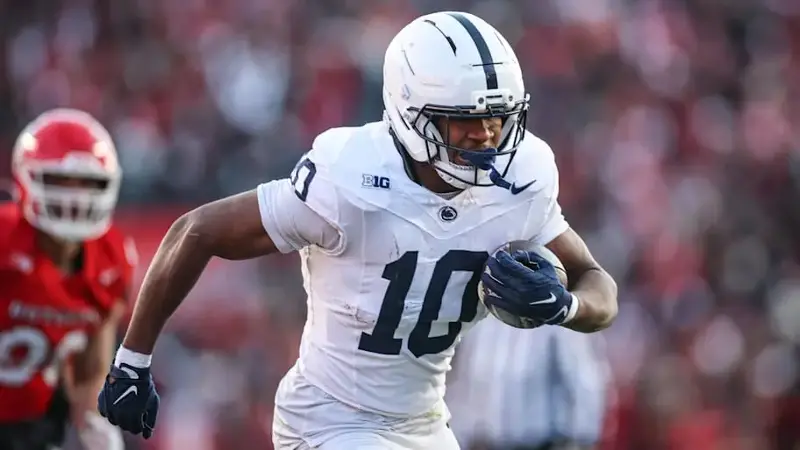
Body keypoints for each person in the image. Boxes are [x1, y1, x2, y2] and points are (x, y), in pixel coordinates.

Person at [98, 10, 618, 450]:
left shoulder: (522, 179)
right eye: (463, 120)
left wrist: (564, 307)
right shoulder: (350, 176)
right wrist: (131, 362)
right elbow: (197, 230)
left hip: (425, 424)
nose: (485, 135)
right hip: (329, 418)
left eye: (498, 118)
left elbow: (596, 282)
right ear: (412, 114)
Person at [0, 108, 132, 450]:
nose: (74, 196)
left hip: (34, 425)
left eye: (88, 183)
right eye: (60, 180)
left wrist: (93, 422)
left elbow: (90, 371)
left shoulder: (112, 260)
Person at [447, 318, 609, 450]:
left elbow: (584, 382)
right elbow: (467, 387)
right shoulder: (481, 323)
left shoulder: (555, 318)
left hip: (543, 441)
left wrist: (580, 440)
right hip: (492, 442)